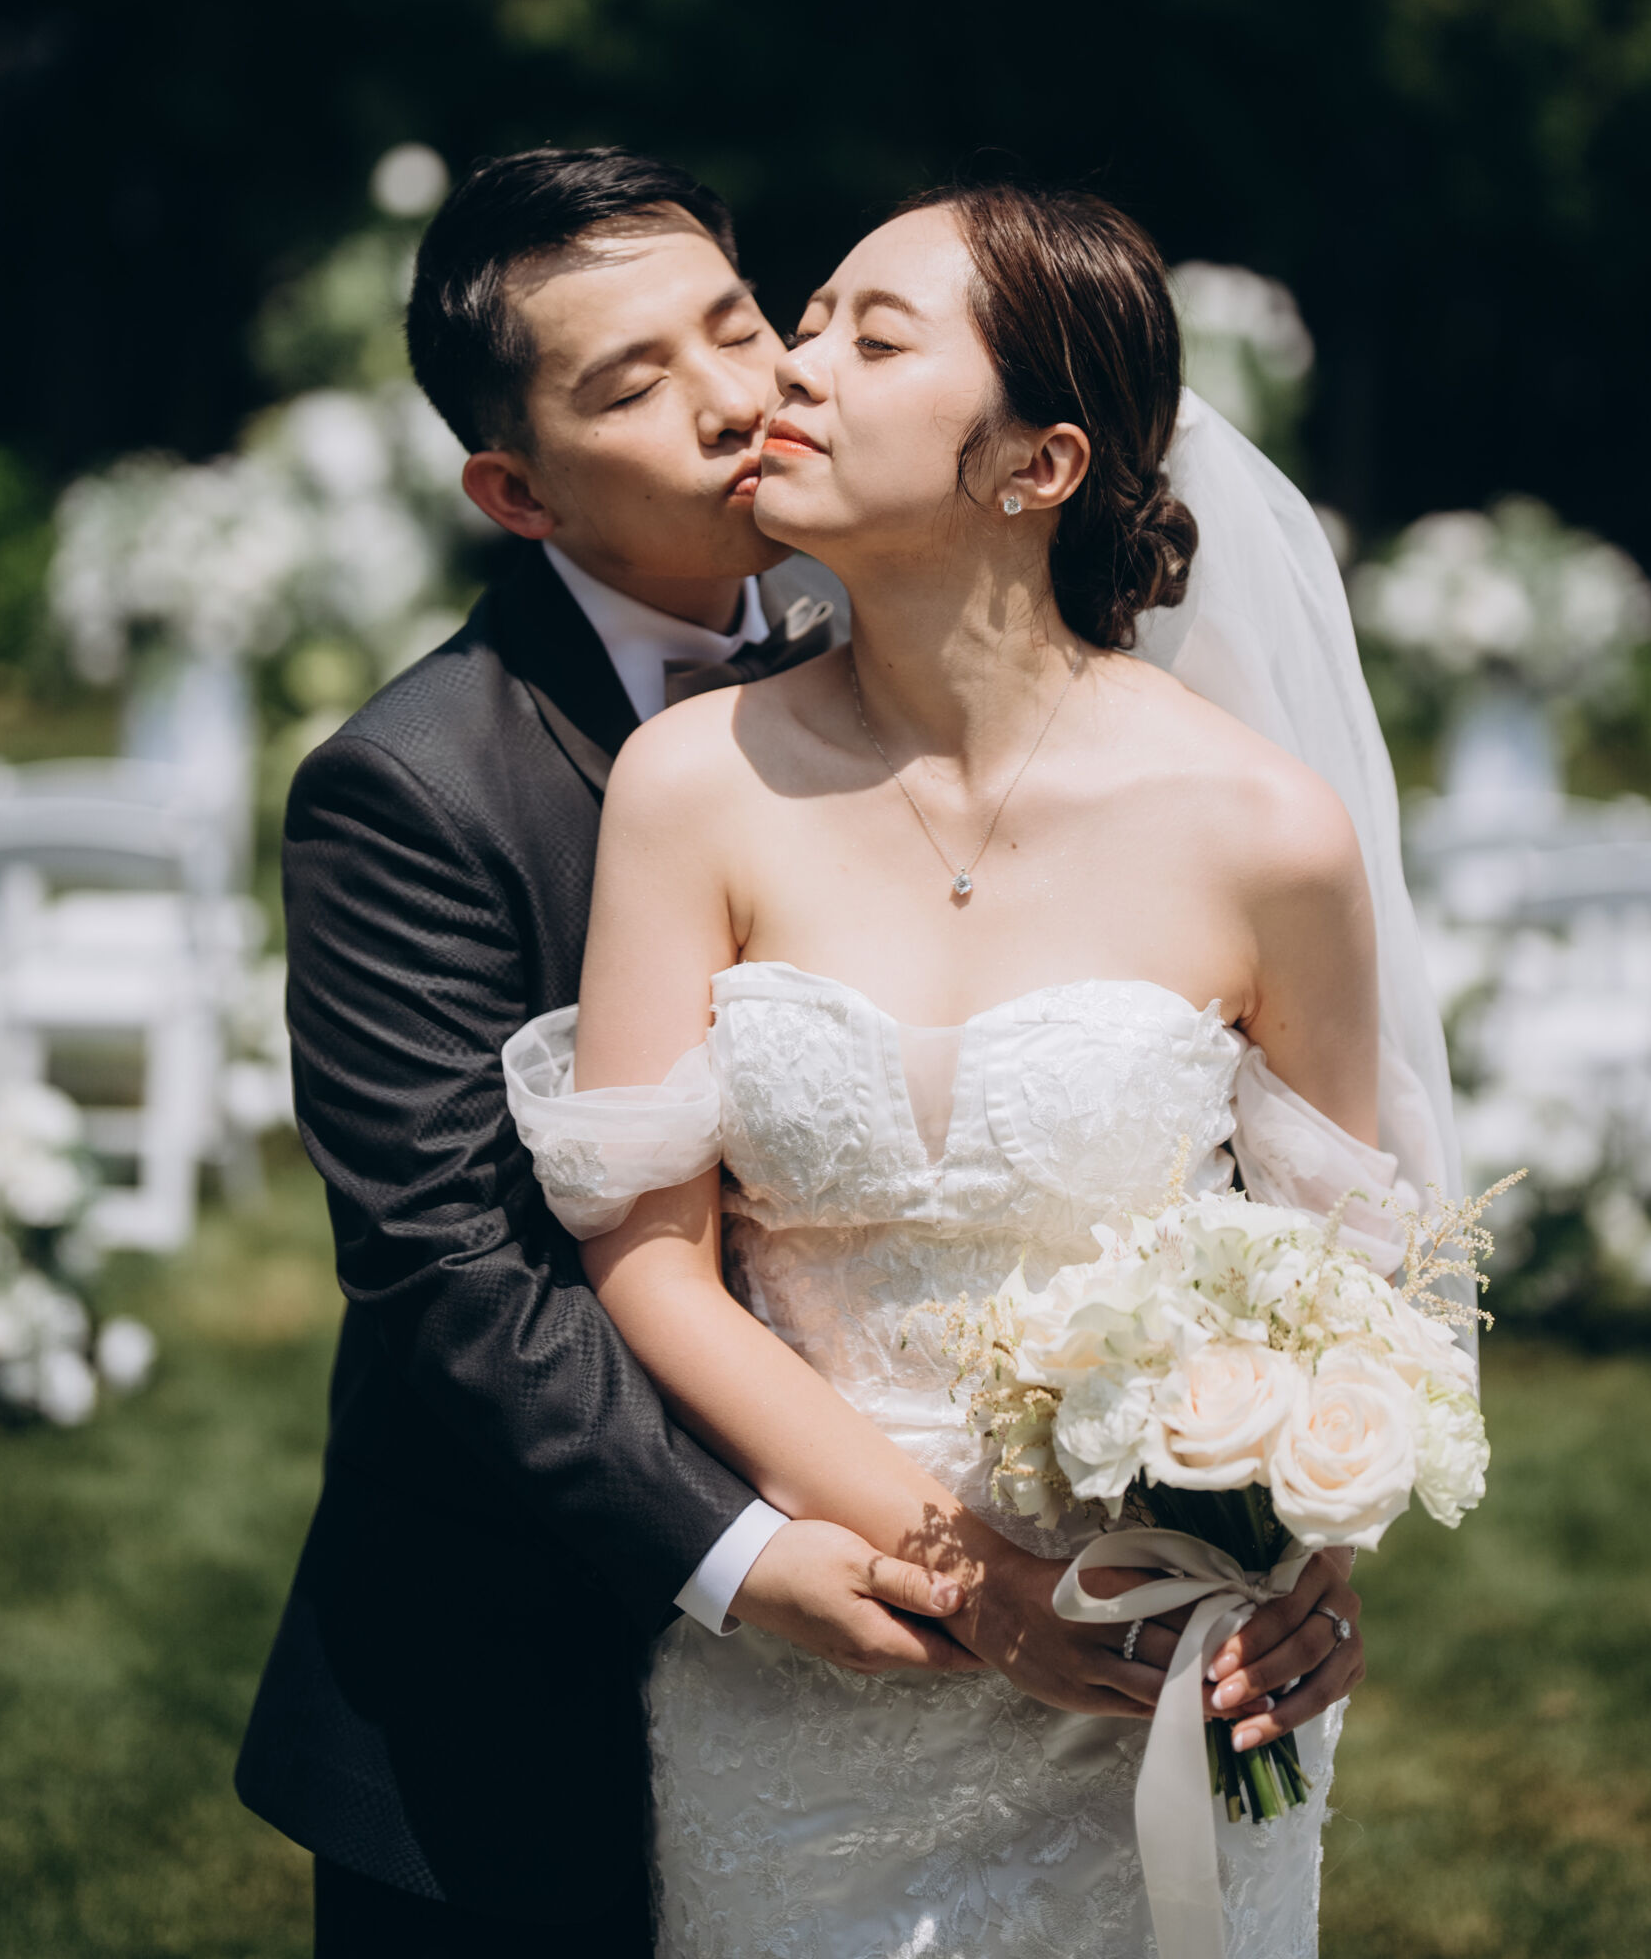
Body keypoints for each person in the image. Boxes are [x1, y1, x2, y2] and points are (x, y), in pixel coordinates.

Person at [508, 182, 1458, 1959]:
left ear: (1040, 465)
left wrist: (1314, 1554)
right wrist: (974, 1575)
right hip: (823, 1643)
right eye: (808, 322)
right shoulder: (693, 785)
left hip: (1161, 1661)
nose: (790, 370)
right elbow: (648, 1258)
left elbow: (1348, 1276)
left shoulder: (1264, 831)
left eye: (872, 341)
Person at [237, 150, 992, 1956]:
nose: (737, 398)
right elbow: (442, 1265)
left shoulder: (889, 664)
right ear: (518, 490)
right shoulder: (414, 789)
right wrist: (737, 1553)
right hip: (512, 1681)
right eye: (636, 385)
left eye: (739, 325)